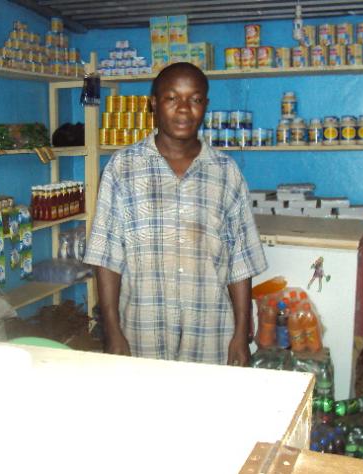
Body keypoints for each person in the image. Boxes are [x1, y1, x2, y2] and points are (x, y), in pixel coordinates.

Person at [83, 62, 267, 366]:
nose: (184, 109)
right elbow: (107, 259)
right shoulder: (122, 169)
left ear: (205, 105)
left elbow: (241, 261)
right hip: (141, 333)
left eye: (195, 99)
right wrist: (112, 331)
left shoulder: (226, 172)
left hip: (211, 334)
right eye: (172, 98)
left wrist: (241, 334)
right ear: (154, 103)